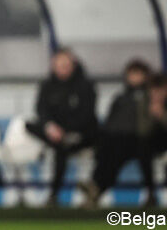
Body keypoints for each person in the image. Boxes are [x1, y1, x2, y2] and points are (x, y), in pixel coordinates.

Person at [25, 48, 97, 206]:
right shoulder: (47, 85)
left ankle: (57, 194)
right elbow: (41, 110)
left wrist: (66, 131)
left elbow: (87, 115)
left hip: (79, 134)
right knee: (31, 126)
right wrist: (50, 127)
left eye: (66, 64)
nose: (62, 68)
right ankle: (54, 195)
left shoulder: (85, 86)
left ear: (73, 64)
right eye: (59, 64)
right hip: (54, 134)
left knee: (64, 146)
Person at [81, 60, 158, 208]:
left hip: (140, 139)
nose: (134, 78)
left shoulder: (150, 96)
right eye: (131, 74)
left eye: (138, 74)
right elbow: (110, 121)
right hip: (116, 139)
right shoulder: (120, 97)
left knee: (115, 154)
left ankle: (97, 188)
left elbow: (148, 124)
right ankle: (96, 188)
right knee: (107, 152)